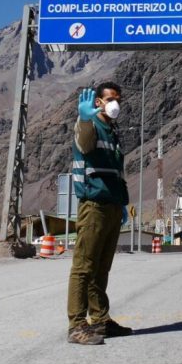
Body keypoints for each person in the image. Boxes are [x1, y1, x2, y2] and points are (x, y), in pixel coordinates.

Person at [67, 82, 132, 345]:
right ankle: (77, 325)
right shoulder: (90, 125)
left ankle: (101, 319)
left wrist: (122, 203)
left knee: (102, 268)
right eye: (109, 99)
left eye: (118, 98)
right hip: (93, 206)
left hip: (113, 206)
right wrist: (83, 118)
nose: (115, 103)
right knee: (84, 267)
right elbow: (83, 144)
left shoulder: (112, 131)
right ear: (97, 102)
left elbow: (115, 172)